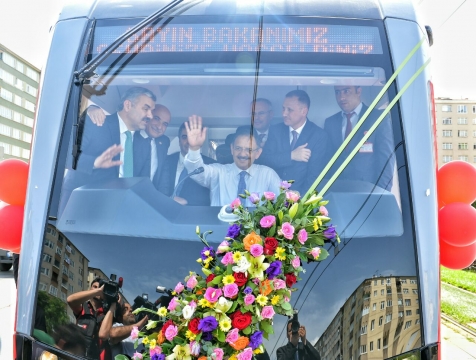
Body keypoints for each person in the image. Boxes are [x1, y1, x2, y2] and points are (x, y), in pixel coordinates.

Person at [60, 87, 156, 214]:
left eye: (152, 111)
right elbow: (64, 156)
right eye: (146, 109)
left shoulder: (145, 145)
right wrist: (94, 162)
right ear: (128, 105)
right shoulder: (95, 123)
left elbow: (143, 185)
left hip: (120, 216)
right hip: (82, 211)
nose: (150, 115)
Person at [184, 115, 281, 206]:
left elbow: (284, 202)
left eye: (249, 150)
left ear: (258, 153)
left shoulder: (268, 175)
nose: (243, 154)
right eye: (238, 148)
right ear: (232, 149)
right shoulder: (219, 172)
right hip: (221, 224)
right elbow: (195, 172)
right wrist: (194, 149)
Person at [324, 85, 395, 190]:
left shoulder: (377, 118)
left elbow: (386, 160)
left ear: (359, 91)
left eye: (346, 91)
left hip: (367, 191)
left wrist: (382, 194)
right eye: (337, 92)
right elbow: (326, 160)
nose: (341, 97)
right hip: (337, 190)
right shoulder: (330, 122)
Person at [88, 102, 172, 188]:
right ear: (148, 116)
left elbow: (163, 173)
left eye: (165, 124)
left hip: (150, 195)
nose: (159, 127)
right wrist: (92, 108)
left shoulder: (164, 141)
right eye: (156, 118)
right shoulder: (129, 135)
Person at [259, 90, 328, 195]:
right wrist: (291, 156)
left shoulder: (318, 135)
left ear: (304, 111)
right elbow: (265, 160)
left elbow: (315, 175)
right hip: (272, 197)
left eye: (289, 110)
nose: (284, 113)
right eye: (283, 108)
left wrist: (300, 201)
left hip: (300, 199)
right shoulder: (275, 130)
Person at [158, 122, 215, 205]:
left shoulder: (211, 165)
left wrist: (187, 203)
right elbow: (158, 190)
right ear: (179, 140)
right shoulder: (166, 161)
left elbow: (211, 198)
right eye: (185, 137)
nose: (189, 141)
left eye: (194, 137)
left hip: (196, 215)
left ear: (201, 141)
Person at [66, 277, 110, 360]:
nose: (98, 289)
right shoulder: (83, 307)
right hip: (76, 355)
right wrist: (98, 291)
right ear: (90, 289)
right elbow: (70, 300)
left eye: (100, 287)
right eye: (95, 287)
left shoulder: (107, 314)